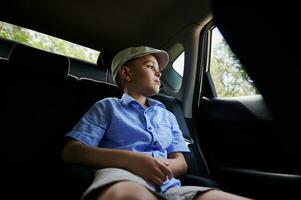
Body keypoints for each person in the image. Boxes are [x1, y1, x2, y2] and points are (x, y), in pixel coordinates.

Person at [62, 46, 253, 200]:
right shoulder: (108, 107)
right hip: (121, 177)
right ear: (126, 73)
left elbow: (181, 162)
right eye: (150, 66)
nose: (158, 73)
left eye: (158, 69)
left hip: (169, 186)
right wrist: (131, 160)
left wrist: (158, 167)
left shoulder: (167, 116)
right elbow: (72, 151)